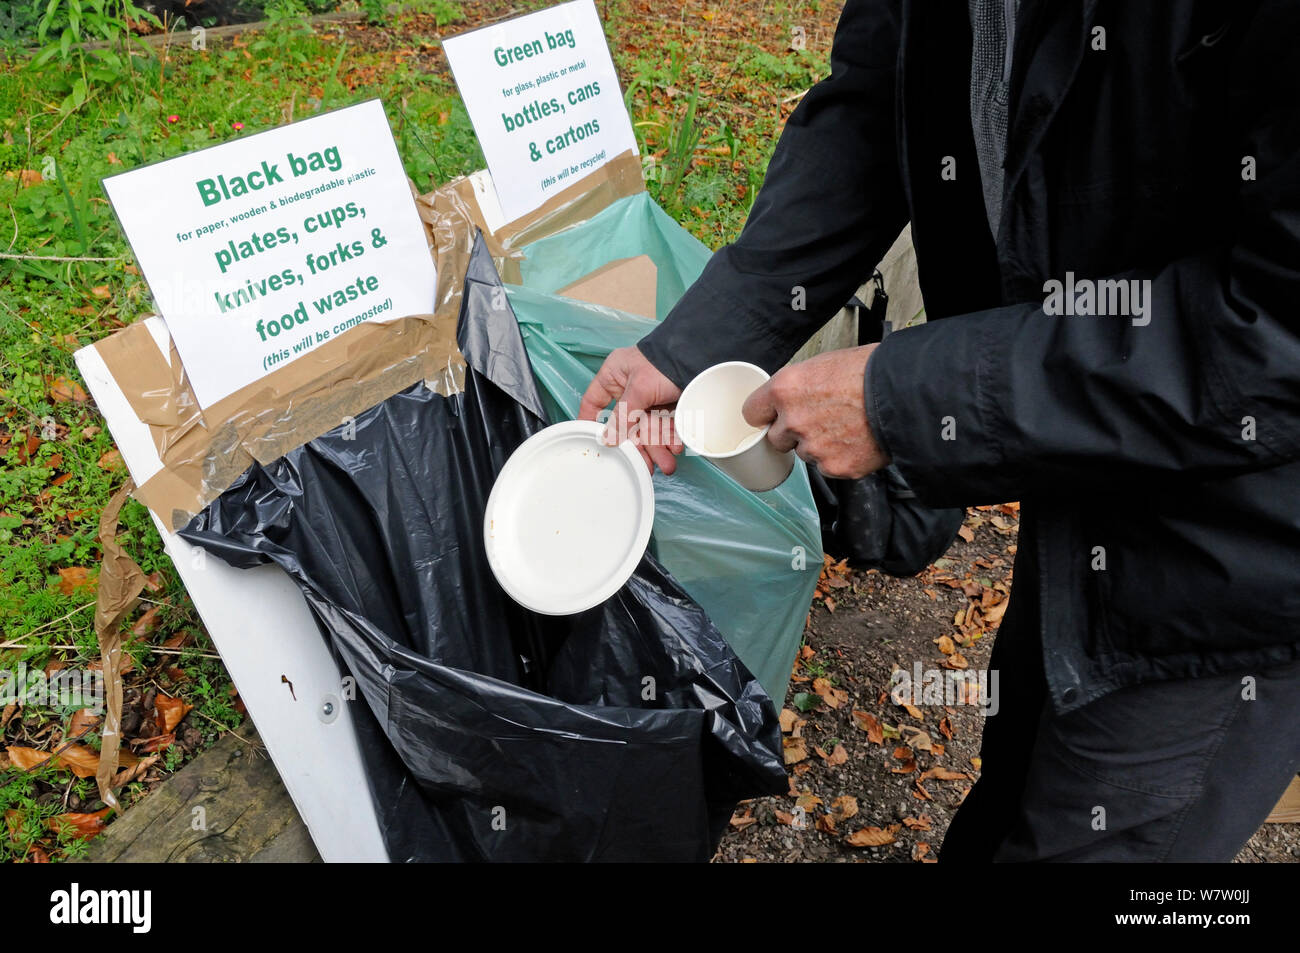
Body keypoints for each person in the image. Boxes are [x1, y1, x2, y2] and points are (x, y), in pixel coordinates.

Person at [577, 0, 1300, 862]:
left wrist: (902, 398)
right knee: (1017, 776)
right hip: (1095, 461)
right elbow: (875, 107)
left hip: (1242, 554)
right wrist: (697, 342)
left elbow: (1276, 335)